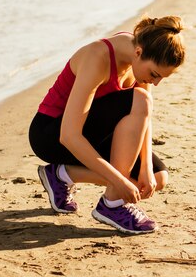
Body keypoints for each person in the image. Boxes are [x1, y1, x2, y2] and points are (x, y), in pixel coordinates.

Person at [29, 16, 185, 234]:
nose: (156, 82)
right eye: (155, 75)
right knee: (139, 100)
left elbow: (144, 115)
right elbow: (69, 136)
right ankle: (112, 205)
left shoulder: (140, 54)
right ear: (138, 53)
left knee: (157, 179)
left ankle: (61, 175)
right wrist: (118, 181)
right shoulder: (98, 57)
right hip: (52, 134)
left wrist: (147, 169)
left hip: (92, 132)